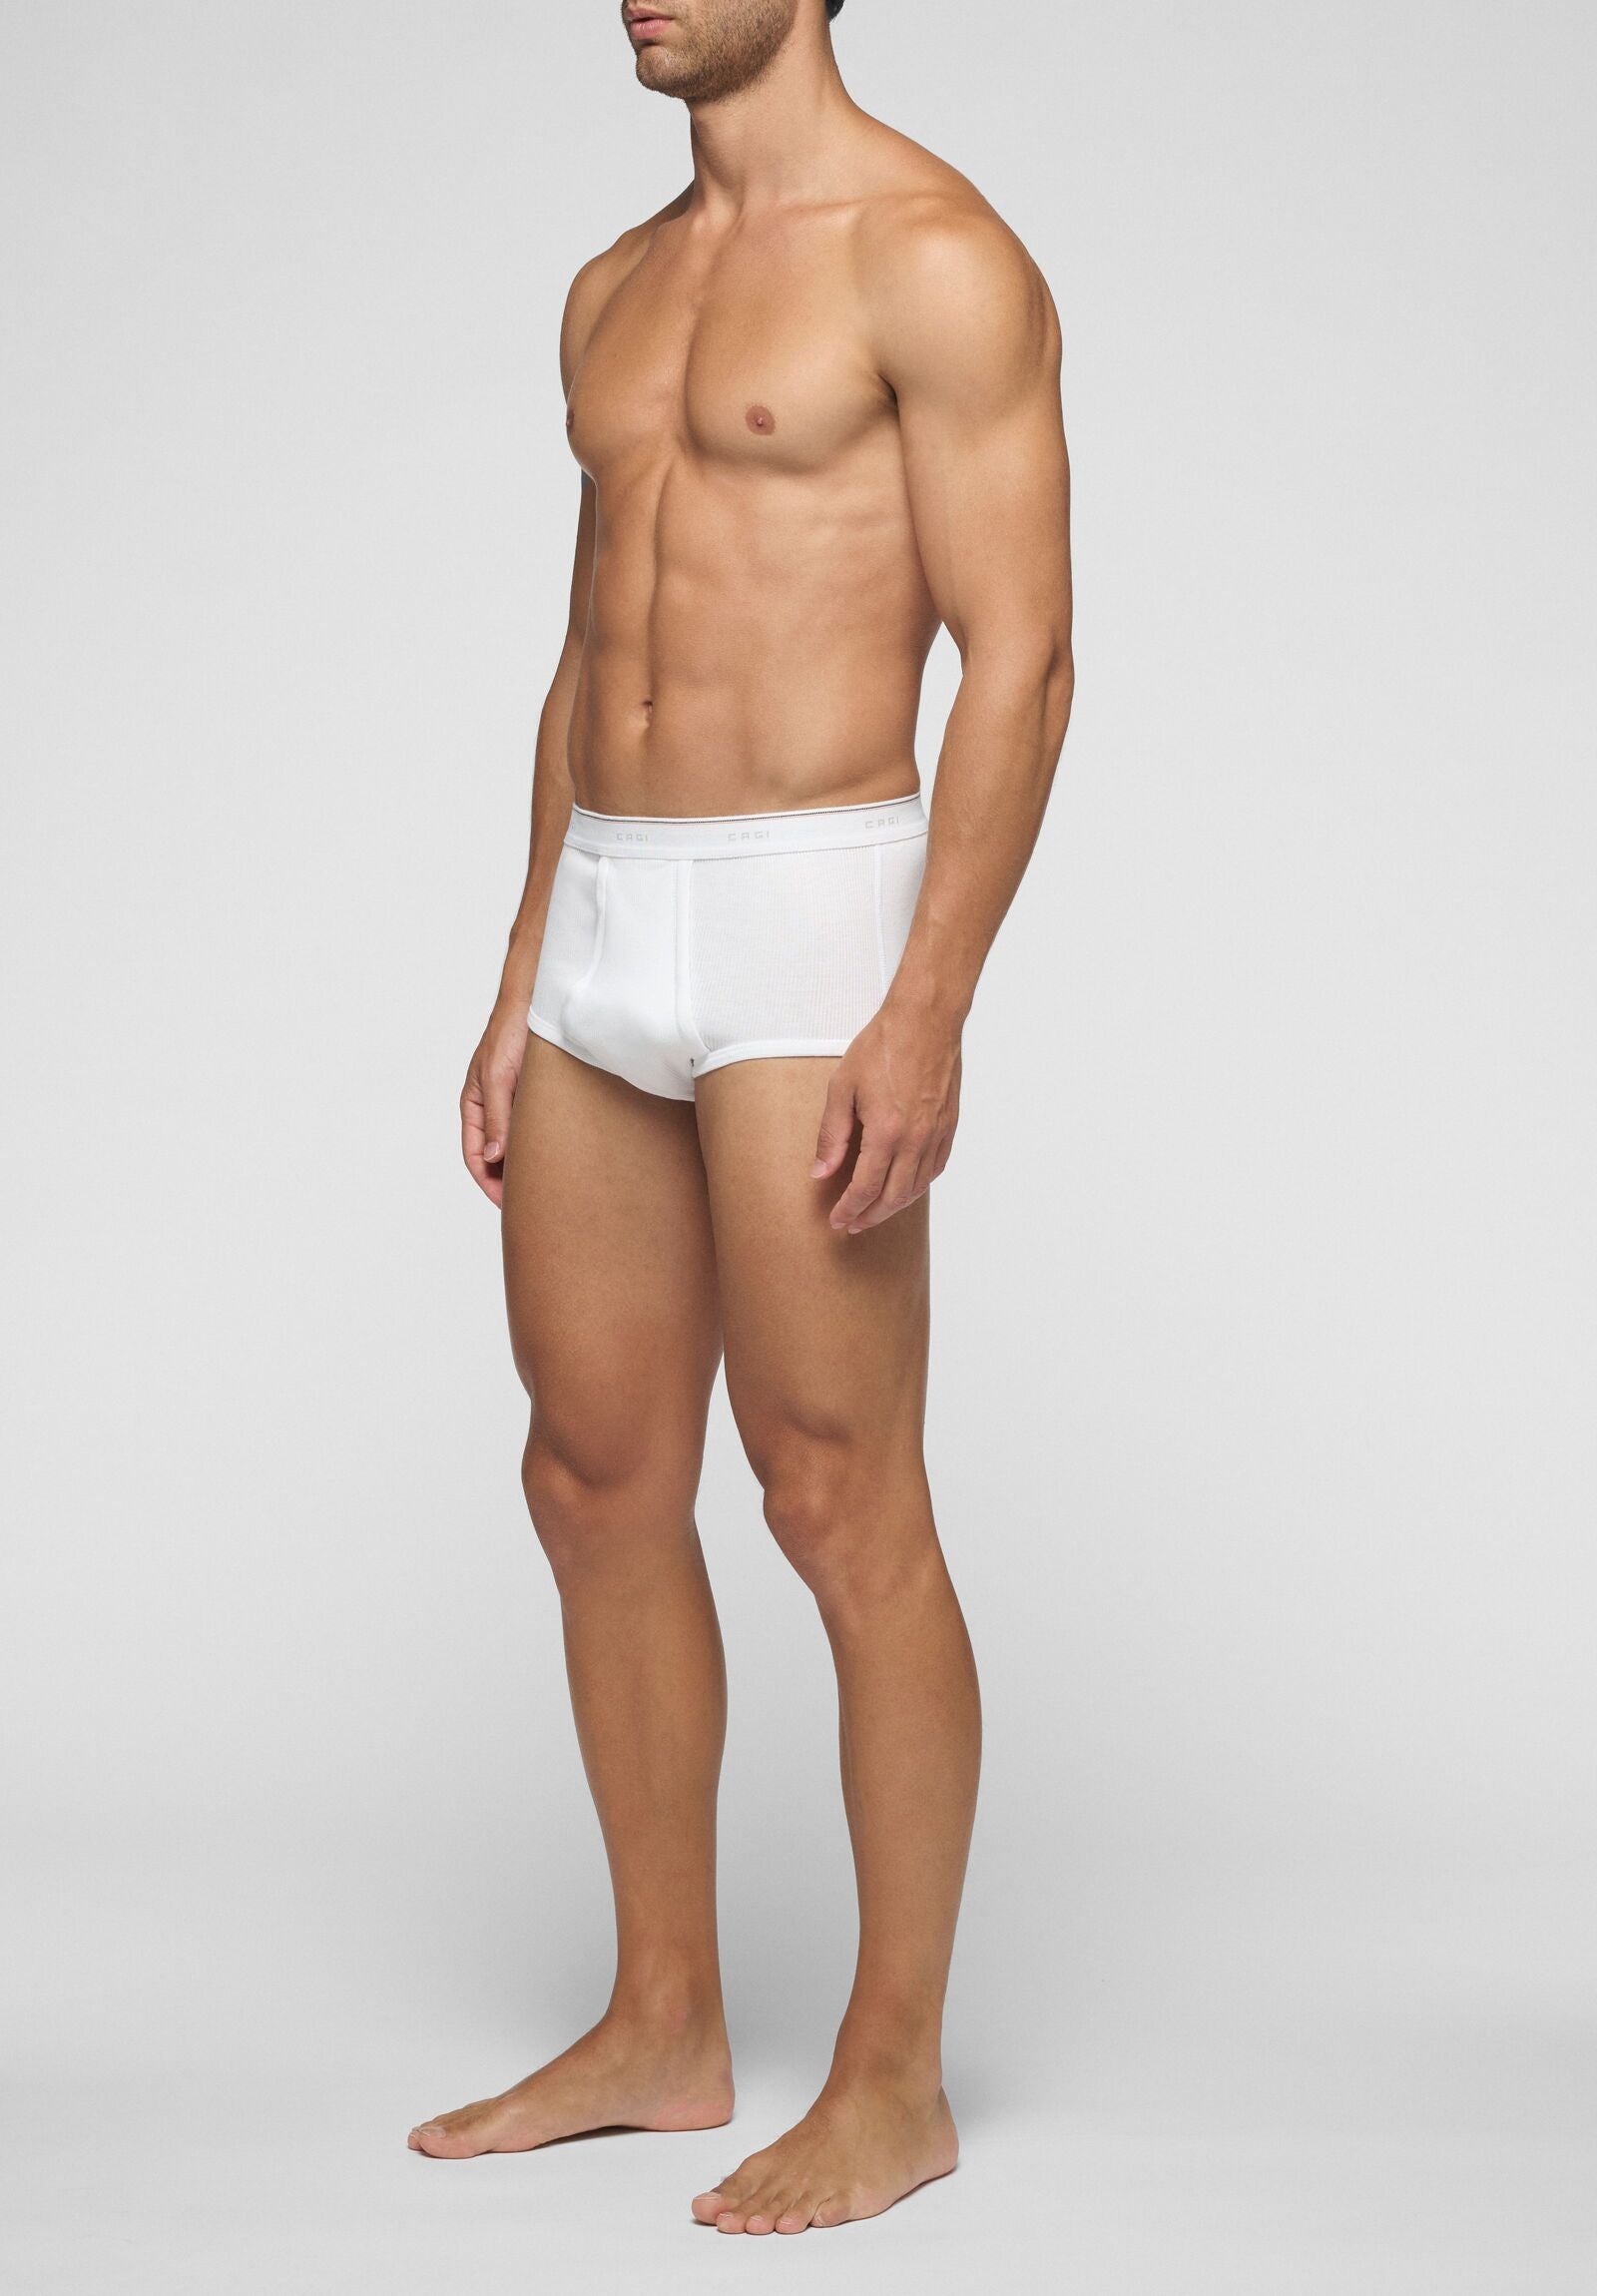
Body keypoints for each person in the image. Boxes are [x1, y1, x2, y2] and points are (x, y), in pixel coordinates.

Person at [408, 0, 1072, 2236]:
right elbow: (586, 643)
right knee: (592, 1476)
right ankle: (661, 2019)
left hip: (808, 911)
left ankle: (895, 2078)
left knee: (834, 1497)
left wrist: (926, 1004)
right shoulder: (613, 285)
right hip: (610, 903)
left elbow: (1023, 653)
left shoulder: (935, 257)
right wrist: (524, 970)